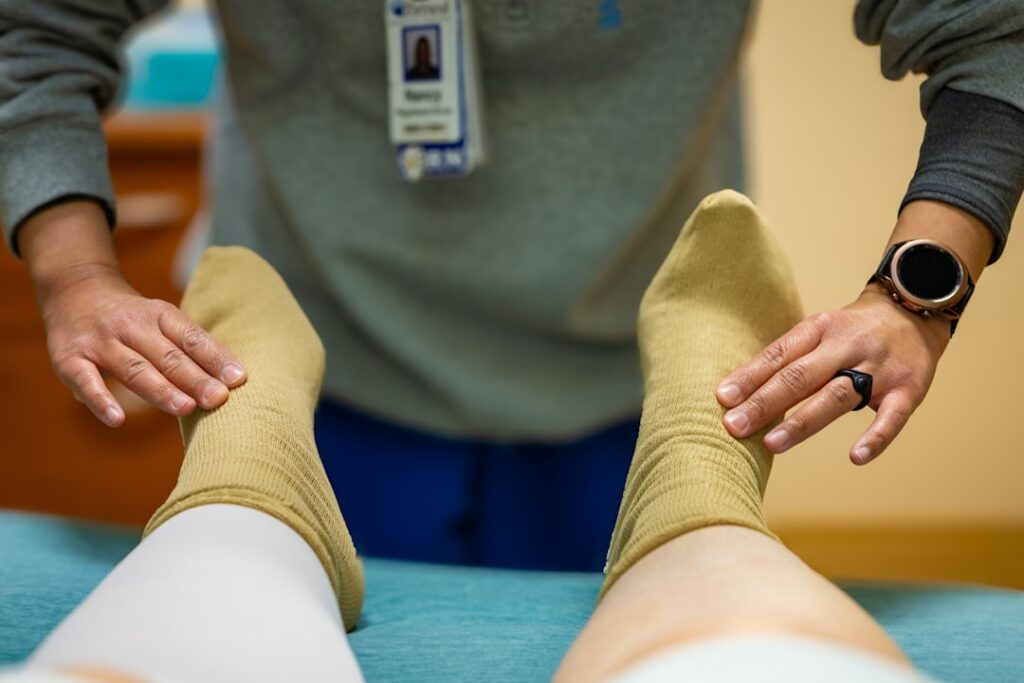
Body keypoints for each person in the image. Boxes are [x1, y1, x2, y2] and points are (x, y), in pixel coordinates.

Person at [3, 1, 1022, 571]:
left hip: (617, 373)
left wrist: (914, 295)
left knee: (682, 567)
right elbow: (32, 26)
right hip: (327, 359)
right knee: (257, 575)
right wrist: (78, 273)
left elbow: (992, 32)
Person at [3, 194, 934, 683]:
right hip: (352, 306)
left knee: (219, 550)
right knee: (713, 553)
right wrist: (73, 270)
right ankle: (693, 507)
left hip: (597, 328)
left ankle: (252, 487)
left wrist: (926, 287)